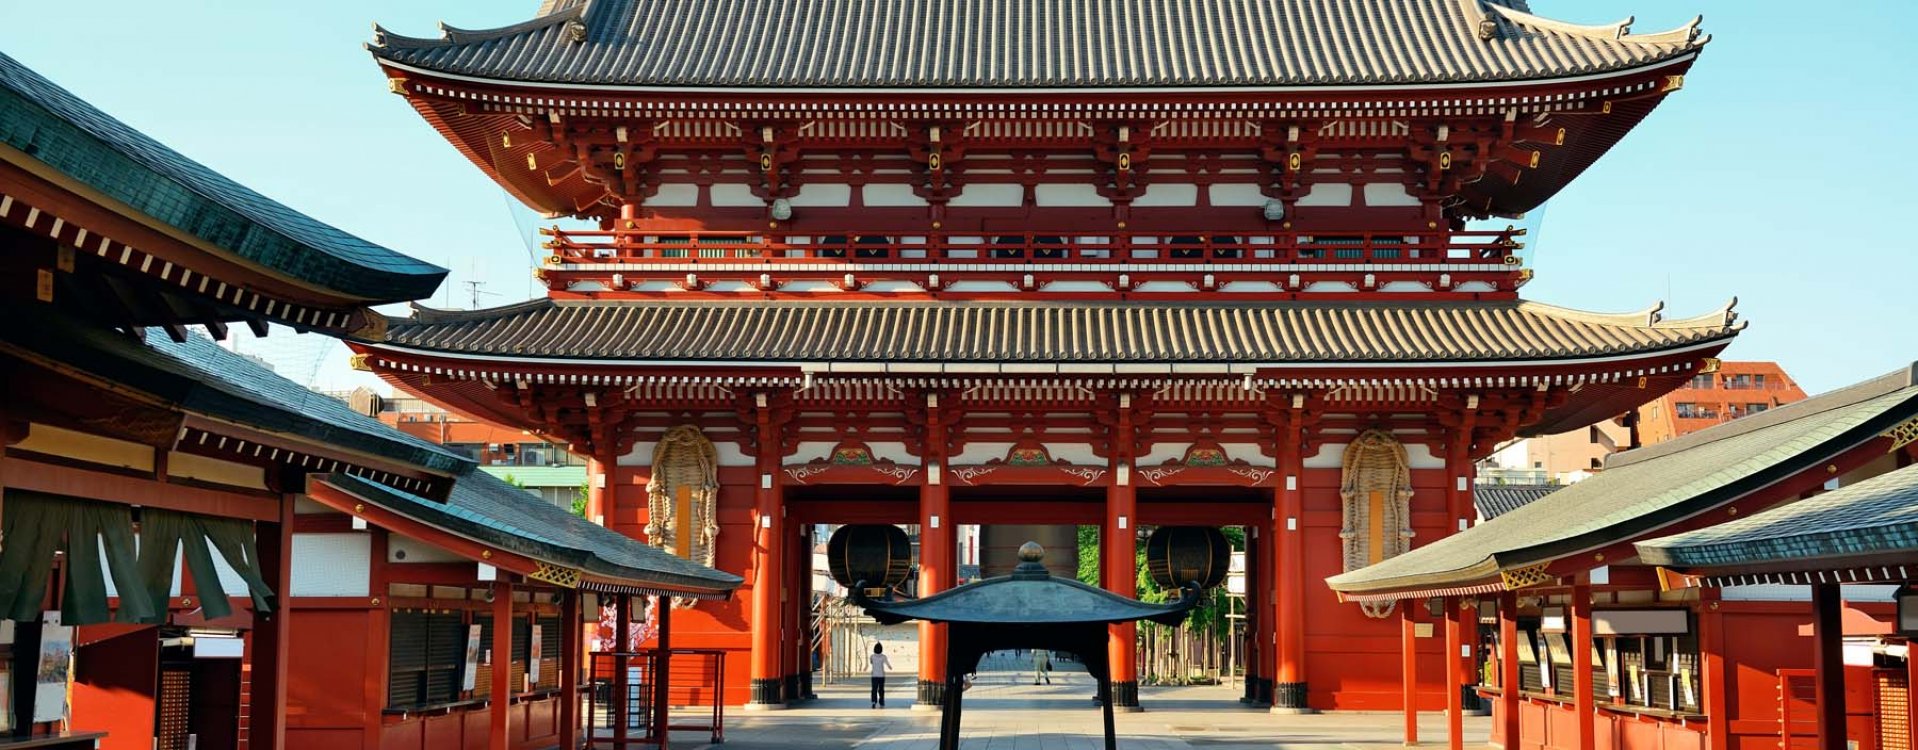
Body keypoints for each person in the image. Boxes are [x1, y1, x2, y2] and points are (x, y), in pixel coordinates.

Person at [869, 643, 894, 708]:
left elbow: (871, 662)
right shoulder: (883, 656)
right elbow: (888, 664)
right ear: (881, 649)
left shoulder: (872, 656)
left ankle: (874, 702)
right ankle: (881, 702)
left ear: (874, 649)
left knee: (874, 689)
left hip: (874, 676)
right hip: (881, 676)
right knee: (881, 690)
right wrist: (890, 667)